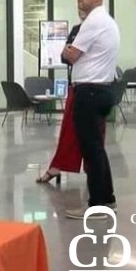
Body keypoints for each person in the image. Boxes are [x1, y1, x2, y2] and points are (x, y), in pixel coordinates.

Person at [61, 0, 120, 220]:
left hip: (90, 91)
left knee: (91, 149)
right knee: (95, 148)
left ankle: (98, 205)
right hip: (100, 90)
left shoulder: (94, 21)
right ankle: (107, 198)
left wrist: (67, 49)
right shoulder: (104, 20)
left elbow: (69, 55)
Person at [37, 11, 91, 184]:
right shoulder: (76, 29)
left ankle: (94, 171)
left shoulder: (98, 29)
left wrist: (73, 53)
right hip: (75, 85)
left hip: (93, 85)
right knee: (68, 129)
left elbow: (75, 54)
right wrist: (72, 53)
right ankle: (57, 166)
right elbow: (65, 57)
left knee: (93, 134)